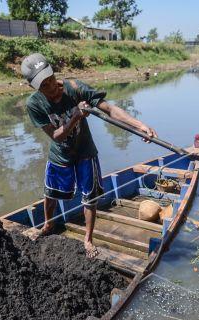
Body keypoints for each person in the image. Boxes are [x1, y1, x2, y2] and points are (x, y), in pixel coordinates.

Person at [21, 53, 158, 258]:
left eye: (51, 80)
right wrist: (75, 117)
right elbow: (56, 136)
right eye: (43, 85)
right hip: (60, 155)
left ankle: (88, 239)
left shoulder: (75, 88)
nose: (50, 87)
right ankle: (49, 224)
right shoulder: (35, 104)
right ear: (34, 87)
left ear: (53, 73)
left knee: (89, 198)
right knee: (50, 194)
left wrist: (140, 125)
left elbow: (110, 110)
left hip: (85, 152)